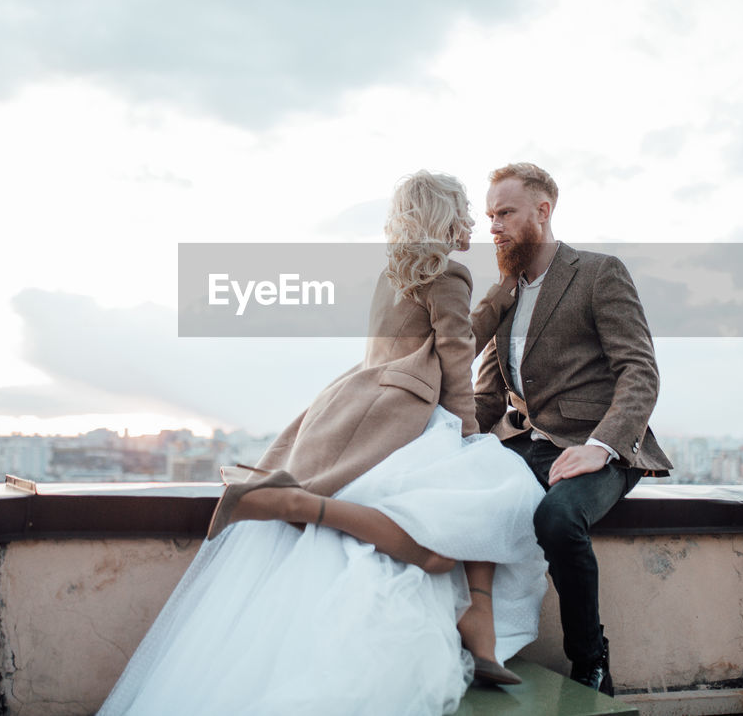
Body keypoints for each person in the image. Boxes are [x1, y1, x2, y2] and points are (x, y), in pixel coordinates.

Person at [98, 171, 548, 716]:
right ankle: (297, 504)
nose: (476, 224)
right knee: (485, 500)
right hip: (403, 410)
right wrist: (465, 431)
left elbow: (420, 341)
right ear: (445, 219)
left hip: (355, 398)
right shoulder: (450, 276)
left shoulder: (394, 273)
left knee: (459, 520)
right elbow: (454, 354)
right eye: (466, 213)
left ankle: (478, 621)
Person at [474, 162, 673, 696]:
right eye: (490, 215)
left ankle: (592, 663)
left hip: (598, 447)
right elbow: (487, 395)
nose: (494, 226)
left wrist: (601, 446)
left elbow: (640, 370)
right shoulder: (505, 295)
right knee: (458, 502)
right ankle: (477, 650)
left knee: (559, 518)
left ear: (543, 211)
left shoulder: (599, 272)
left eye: (506, 213)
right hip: (526, 445)